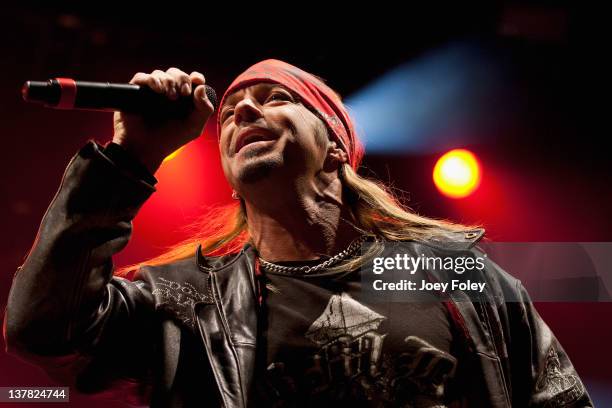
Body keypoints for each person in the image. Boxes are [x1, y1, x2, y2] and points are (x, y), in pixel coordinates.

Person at [3, 60, 593, 407]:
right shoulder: (186, 299)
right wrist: (130, 160)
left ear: (335, 143)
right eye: (231, 111)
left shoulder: (444, 270)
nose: (242, 114)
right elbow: (41, 330)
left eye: (274, 98)